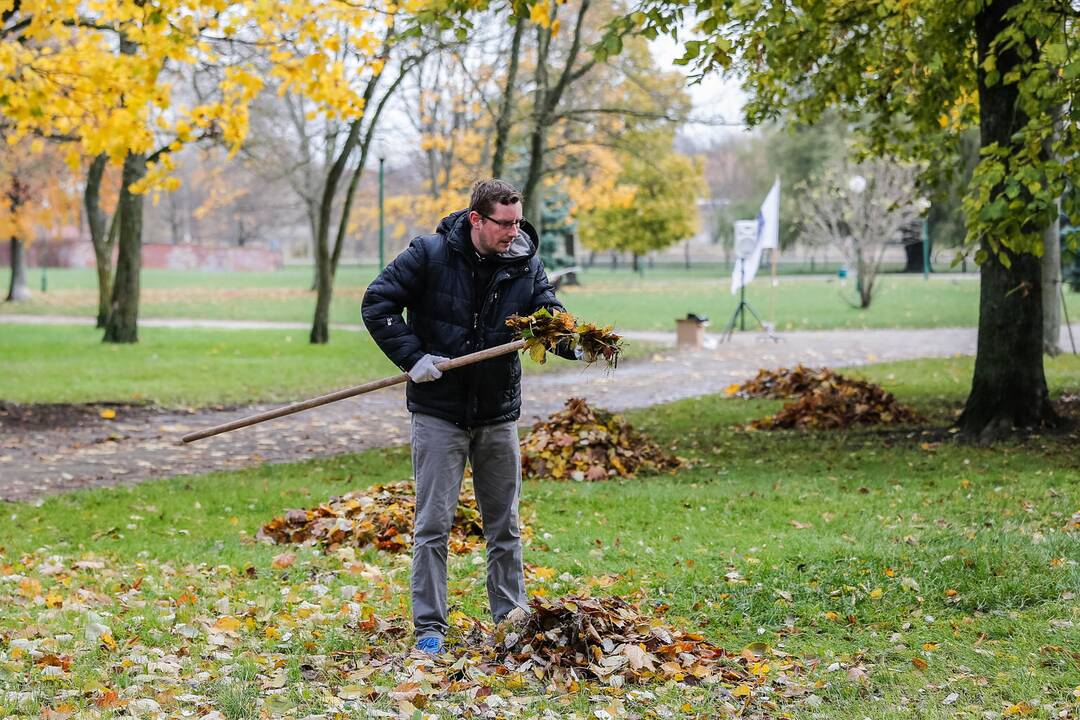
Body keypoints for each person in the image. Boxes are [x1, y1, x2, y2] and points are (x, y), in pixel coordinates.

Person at [361, 179, 575, 654]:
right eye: (505, 223)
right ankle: (430, 629)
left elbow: (548, 314)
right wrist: (413, 357)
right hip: (439, 412)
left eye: (518, 222)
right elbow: (377, 303)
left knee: (505, 525)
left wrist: (572, 339)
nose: (514, 232)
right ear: (477, 218)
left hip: (497, 412)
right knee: (433, 525)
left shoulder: (525, 261)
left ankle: (511, 620)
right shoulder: (429, 254)